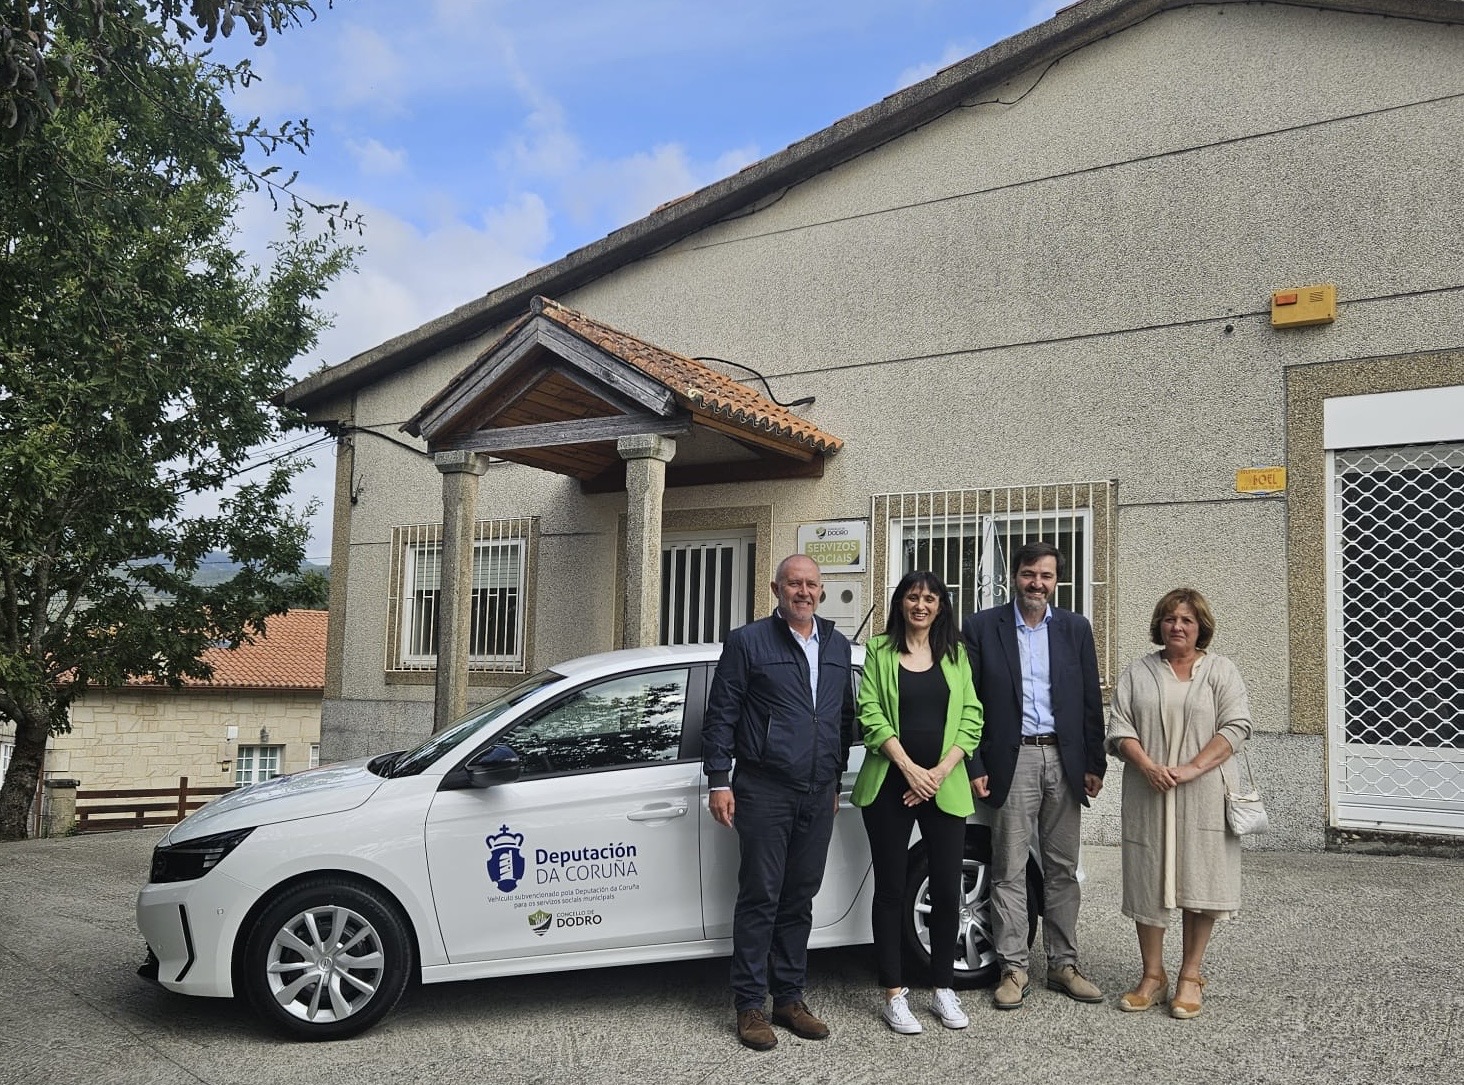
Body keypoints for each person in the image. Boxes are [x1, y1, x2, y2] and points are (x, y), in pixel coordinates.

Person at [703, 554, 856, 1051]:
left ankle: (789, 999)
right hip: (764, 788)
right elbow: (721, 713)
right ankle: (750, 1004)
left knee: (799, 897)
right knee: (760, 896)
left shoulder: (836, 644)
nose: (803, 592)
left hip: (818, 790)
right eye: (794, 584)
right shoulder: (748, 642)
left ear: (821, 591)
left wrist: (833, 781)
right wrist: (719, 780)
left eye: (811, 584)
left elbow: (842, 719)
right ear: (776, 589)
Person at [962, 540, 1106, 1010]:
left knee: (1062, 868)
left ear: (1056, 581)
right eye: (1029, 574)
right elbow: (968, 701)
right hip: (1012, 760)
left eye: (1046, 576)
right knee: (1008, 868)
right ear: (1015, 576)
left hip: (1063, 759)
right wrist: (975, 764)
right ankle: (1013, 968)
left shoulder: (1075, 628)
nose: (1036, 583)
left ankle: (1063, 965)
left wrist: (1094, 763)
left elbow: (1089, 699)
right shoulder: (982, 627)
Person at [1105, 587, 1253, 1019]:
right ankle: (1153, 976)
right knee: (1148, 874)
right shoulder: (1138, 672)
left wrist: (1191, 769)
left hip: (1204, 790)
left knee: (1200, 876)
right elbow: (1119, 727)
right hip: (1147, 788)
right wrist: (1148, 765)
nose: (1177, 626)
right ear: (1159, 625)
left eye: (1187, 620)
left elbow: (1236, 726)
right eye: (1170, 618)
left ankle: (1190, 975)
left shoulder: (1221, 671)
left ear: (1200, 626)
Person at [851, 570, 984, 1034]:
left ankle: (943, 988)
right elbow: (870, 713)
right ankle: (894, 994)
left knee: (946, 890)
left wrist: (938, 774)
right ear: (900, 604)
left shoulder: (956, 655)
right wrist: (910, 769)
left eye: (929, 598)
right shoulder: (879, 651)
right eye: (912, 597)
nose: (920, 605)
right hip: (890, 784)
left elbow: (972, 717)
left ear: (941, 605)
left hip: (944, 785)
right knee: (890, 890)